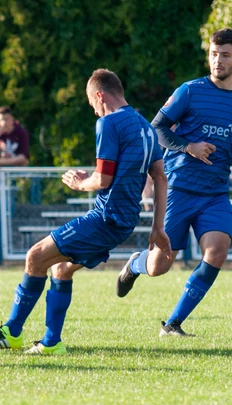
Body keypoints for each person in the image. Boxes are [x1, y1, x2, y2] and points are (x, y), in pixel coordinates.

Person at [0, 68, 170, 354]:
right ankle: (51, 343)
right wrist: (158, 227)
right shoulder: (145, 127)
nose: (94, 111)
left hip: (105, 218)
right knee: (62, 269)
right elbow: (160, 178)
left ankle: (12, 332)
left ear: (100, 95)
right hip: (124, 222)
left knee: (35, 256)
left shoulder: (109, 123)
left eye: (92, 103)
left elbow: (102, 180)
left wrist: (80, 183)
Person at [116, 28, 232, 337]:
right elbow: (156, 129)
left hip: (216, 193)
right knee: (160, 266)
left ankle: (173, 324)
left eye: (225, 55)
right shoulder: (190, 91)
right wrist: (189, 146)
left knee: (217, 251)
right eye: (214, 54)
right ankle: (136, 263)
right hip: (179, 189)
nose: (217, 61)